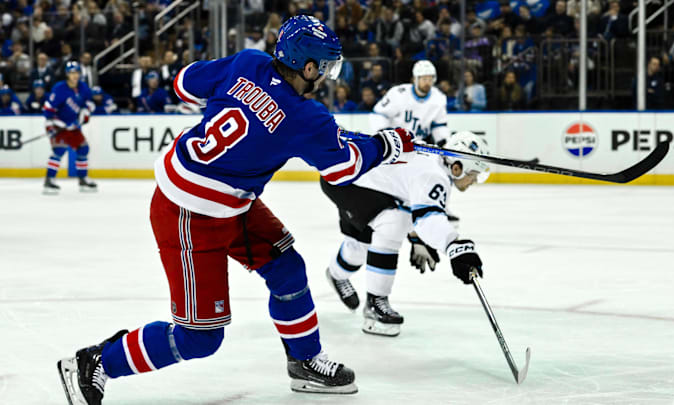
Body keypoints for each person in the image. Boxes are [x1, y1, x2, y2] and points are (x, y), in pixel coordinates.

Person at [57, 15, 414, 404]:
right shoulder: (305, 118)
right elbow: (344, 166)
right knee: (200, 337)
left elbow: (185, 83)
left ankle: (304, 361)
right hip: (187, 214)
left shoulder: (249, 63)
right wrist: (388, 144)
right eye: (326, 66)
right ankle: (95, 362)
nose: (327, 75)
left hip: (229, 201)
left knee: (287, 267)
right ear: (308, 67)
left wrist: (242, 104)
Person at [322, 131, 489, 336]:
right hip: (349, 183)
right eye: (473, 175)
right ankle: (375, 302)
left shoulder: (433, 161)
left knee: (361, 246)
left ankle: (336, 275)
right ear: (457, 168)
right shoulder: (434, 174)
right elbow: (426, 217)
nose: (474, 181)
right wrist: (454, 246)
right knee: (395, 221)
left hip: (350, 180)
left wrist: (417, 238)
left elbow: (408, 195)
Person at [42, 61, 97, 194]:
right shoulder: (59, 88)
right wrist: (56, 123)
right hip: (57, 126)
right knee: (59, 151)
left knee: (83, 149)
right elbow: (48, 109)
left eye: (76, 72)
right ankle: (49, 180)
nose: (75, 75)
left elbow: (90, 103)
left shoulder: (83, 87)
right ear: (67, 74)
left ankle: (83, 179)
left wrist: (86, 111)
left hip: (72, 127)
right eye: (72, 73)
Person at [370, 60, 449, 144]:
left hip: (421, 145)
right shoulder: (398, 93)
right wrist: (387, 135)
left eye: (430, 79)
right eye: (424, 79)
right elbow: (378, 115)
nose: (427, 83)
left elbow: (439, 125)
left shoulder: (439, 98)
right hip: (397, 144)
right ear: (415, 79)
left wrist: (443, 141)